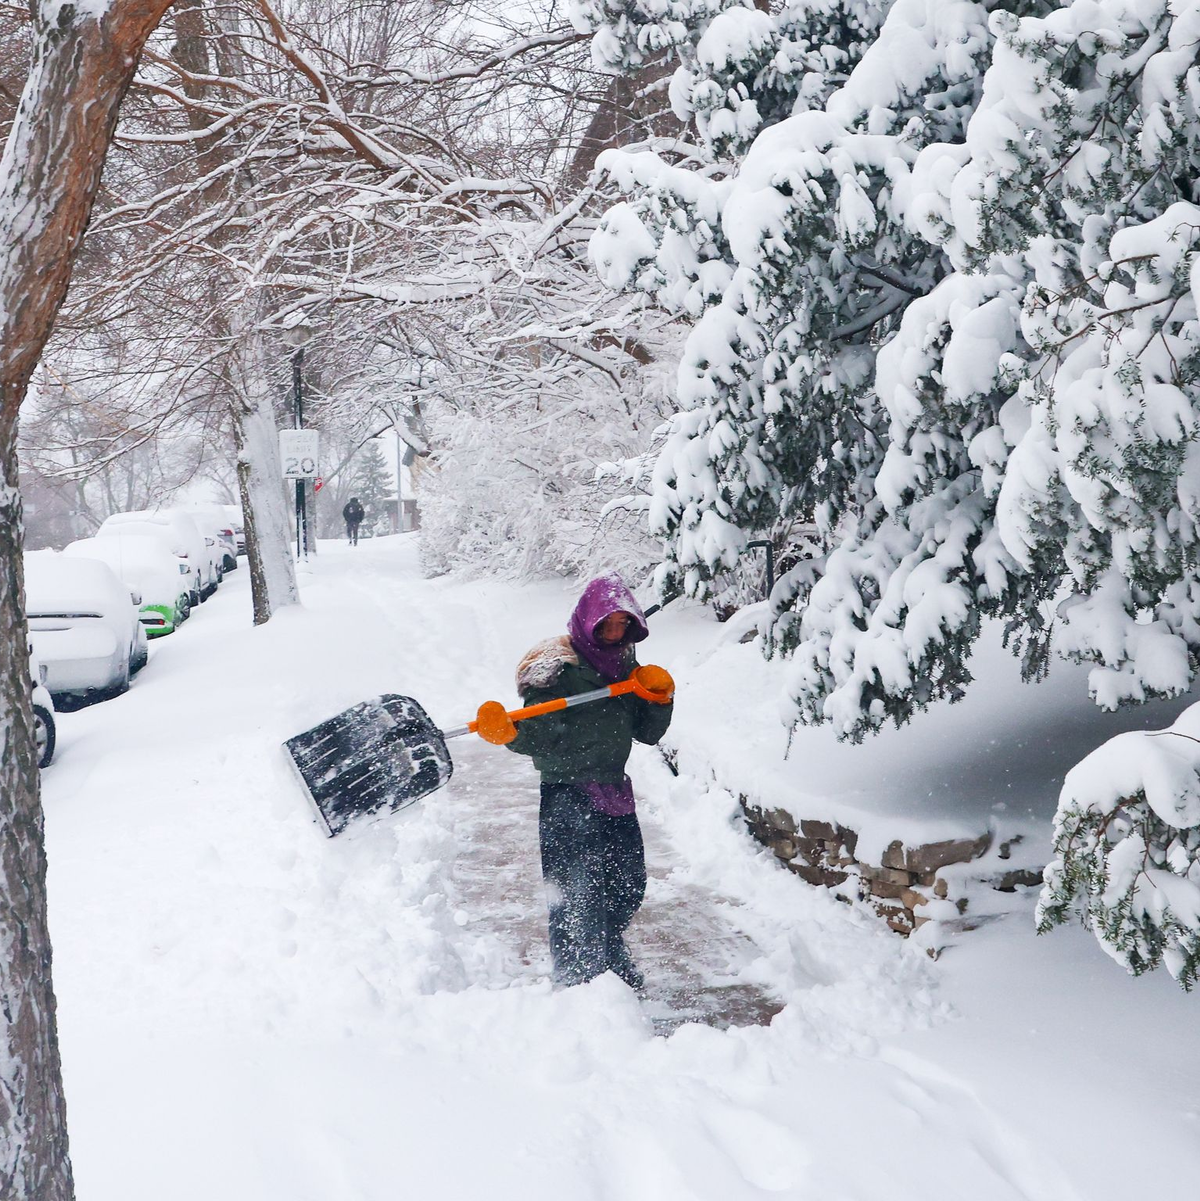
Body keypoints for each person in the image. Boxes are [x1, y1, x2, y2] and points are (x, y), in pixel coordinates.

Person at [479, 574, 674, 990]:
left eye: (624, 623)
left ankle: (608, 954)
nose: (616, 631)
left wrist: (659, 700)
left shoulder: (626, 666)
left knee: (627, 885)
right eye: (608, 623)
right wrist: (512, 733)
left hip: (614, 790)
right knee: (576, 895)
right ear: (589, 620)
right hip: (568, 792)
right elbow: (543, 737)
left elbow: (647, 733)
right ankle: (580, 983)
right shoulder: (557, 673)